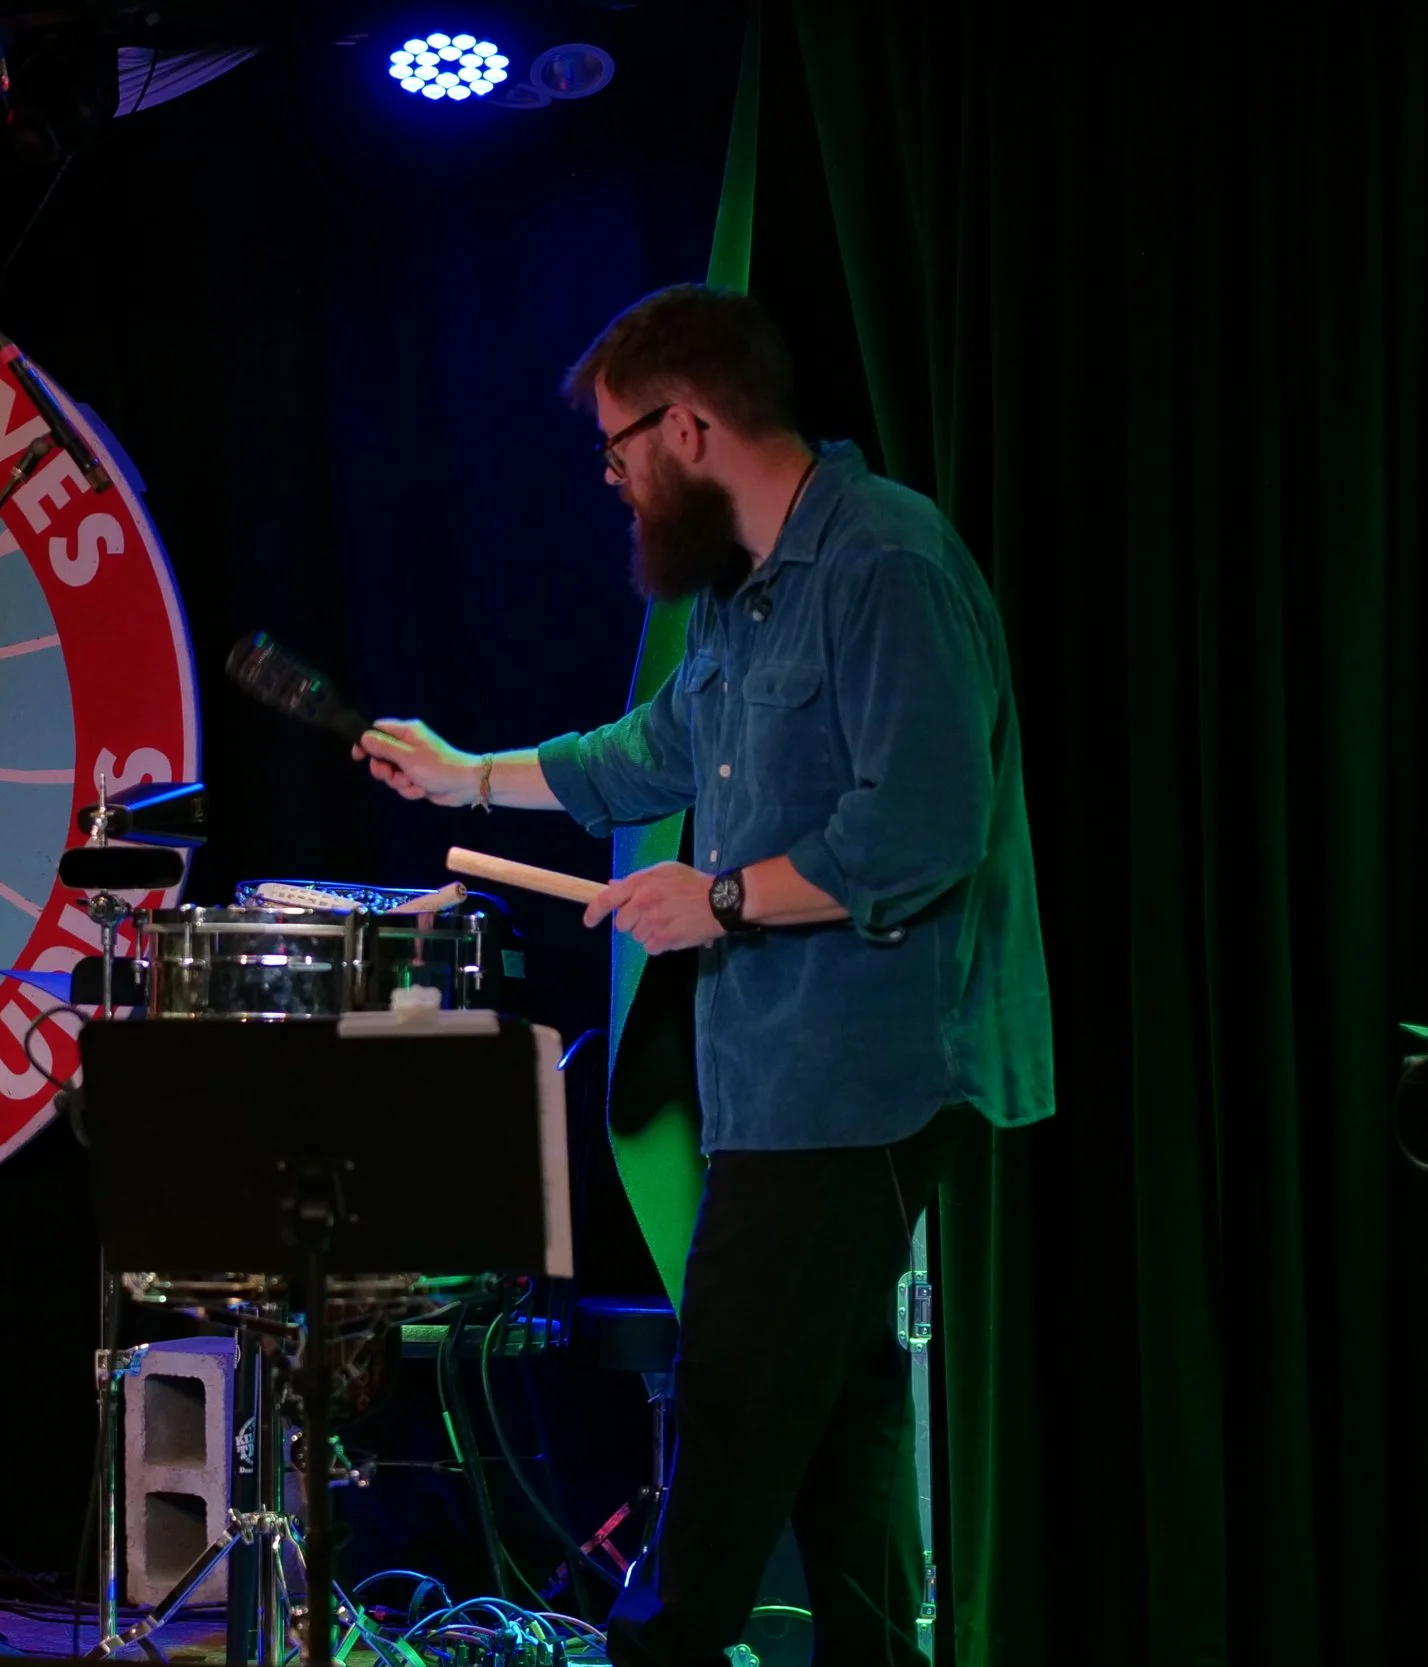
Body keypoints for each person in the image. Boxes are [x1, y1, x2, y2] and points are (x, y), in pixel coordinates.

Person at [356, 285, 1053, 1665]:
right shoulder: (741, 591)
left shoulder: (886, 564)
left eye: (617, 449)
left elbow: (919, 830)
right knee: (836, 1435)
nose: (612, 480)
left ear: (688, 425)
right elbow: (646, 754)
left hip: (868, 1078)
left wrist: (717, 895)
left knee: (729, 1412)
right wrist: (464, 772)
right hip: (782, 1076)